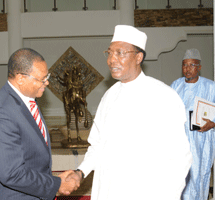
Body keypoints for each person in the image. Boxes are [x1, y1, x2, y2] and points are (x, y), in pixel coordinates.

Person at [67, 25, 192, 200]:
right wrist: (80, 172)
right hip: (109, 191)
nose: (111, 60)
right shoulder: (109, 96)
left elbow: (180, 157)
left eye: (120, 53)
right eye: (109, 53)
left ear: (139, 57)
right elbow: (97, 145)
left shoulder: (163, 96)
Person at [0, 48, 79, 200]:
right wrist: (56, 184)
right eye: (41, 79)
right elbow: (12, 174)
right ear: (20, 78)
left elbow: (32, 157)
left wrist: (54, 179)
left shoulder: (27, 98)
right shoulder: (1, 114)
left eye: (47, 76)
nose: (46, 82)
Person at [171, 48, 215, 200]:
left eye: (192, 65)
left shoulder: (210, 87)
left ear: (199, 67)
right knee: (180, 179)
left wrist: (213, 123)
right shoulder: (176, 86)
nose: (187, 69)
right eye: (184, 65)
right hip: (180, 143)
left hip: (202, 142)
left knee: (198, 178)